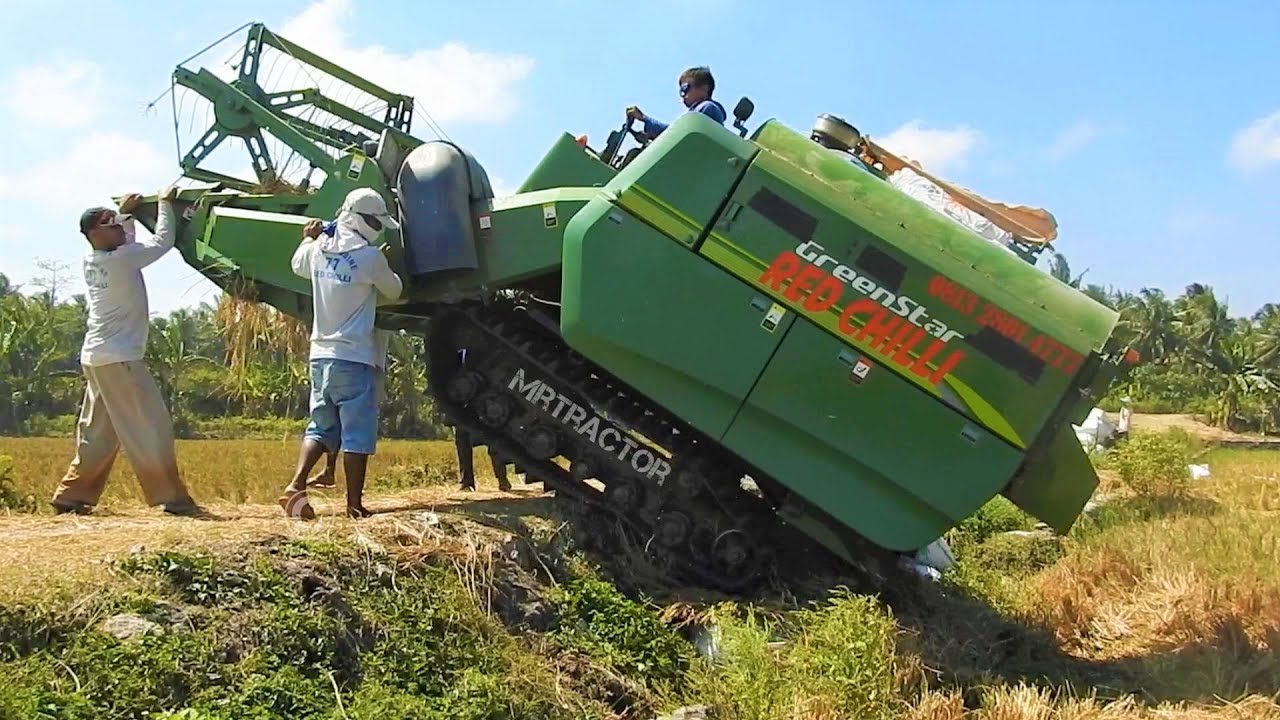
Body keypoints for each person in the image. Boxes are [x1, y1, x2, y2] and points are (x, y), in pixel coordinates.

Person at [51, 187, 201, 516]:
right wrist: (164, 204)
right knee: (151, 424)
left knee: (98, 431)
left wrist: (128, 215)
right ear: (96, 232)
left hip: (96, 357)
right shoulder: (121, 259)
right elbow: (161, 242)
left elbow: (128, 244)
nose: (120, 229)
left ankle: (71, 494)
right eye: (114, 225)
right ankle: (172, 497)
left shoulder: (94, 259)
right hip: (120, 359)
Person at [281, 188, 404, 519]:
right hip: (354, 357)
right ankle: (354, 505)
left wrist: (307, 238)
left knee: (320, 427)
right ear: (364, 220)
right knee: (357, 434)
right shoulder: (369, 257)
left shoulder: (319, 249)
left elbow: (297, 265)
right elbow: (395, 289)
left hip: (320, 356)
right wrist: (386, 261)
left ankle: (295, 486)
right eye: (376, 222)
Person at [306, 327, 392, 490]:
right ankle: (354, 504)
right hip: (363, 361)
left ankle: (318, 475)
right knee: (356, 432)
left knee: (329, 424)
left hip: (328, 355)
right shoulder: (368, 304)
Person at [626, 66, 727, 139]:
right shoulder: (698, 113)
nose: (682, 95)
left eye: (685, 89)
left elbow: (676, 135)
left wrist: (644, 118)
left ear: (704, 88)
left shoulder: (707, 108)